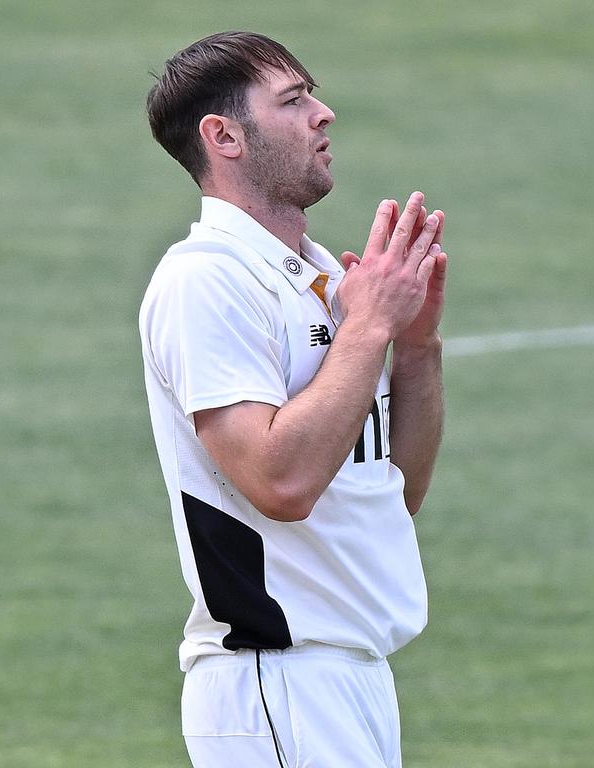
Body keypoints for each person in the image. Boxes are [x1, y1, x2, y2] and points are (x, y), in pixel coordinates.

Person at [139, 31, 447, 768]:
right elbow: (281, 483)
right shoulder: (206, 281)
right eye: (294, 99)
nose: (324, 113)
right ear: (223, 136)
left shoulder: (316, 280)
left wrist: (414, 347)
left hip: (351, 678)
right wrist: (369, 327)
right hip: (276, 679)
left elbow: (392, 492)